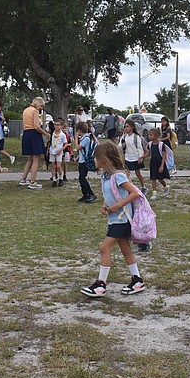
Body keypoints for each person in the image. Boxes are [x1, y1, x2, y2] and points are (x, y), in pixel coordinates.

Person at [80, 141, 146, 298]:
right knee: (125, 249)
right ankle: (137, 280)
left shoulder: (119, 176)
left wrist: (118, 205)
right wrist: (105, 205)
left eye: (96, 157)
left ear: (104, 159)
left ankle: (101, 284)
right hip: (114, 219)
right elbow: (109, 194)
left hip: (122, 220)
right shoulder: (105, 176)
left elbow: (135, 193)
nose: (94, 160)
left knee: (104, 248)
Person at [19, 97, 49, 190]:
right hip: (34, 135)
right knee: (36, 158)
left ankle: (23, 179)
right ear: (37, 103)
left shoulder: (26, 110)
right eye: (41, 105)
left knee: (30, 158)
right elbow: (36, 126)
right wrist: (45, 133)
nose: (41, 108)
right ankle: (33, 181)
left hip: (26, 134)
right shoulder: (34, 111)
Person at [120, 119, 147, 193]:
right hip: (127, 158)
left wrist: (140, 157)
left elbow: (139, 148)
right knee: (126, 174)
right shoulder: (124, 136)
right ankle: (129, 188)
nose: (126, 128)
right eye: (125, 126)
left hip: (136, 158)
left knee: (138, 173)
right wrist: (122, 146)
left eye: (127, 126)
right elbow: (120, 146)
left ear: (132, 127)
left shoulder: (136, 137)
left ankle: (143, 186)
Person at [74, 121, 97, 203]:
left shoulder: (86, 138)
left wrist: (76, 139)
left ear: (79, 130)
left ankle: (91, 194)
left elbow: (78, 147)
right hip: (81, 160)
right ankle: (85, 194)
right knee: (81, 178)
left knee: (82, 178)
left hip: (84, 161)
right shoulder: (84, 138)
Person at [146, 128, 170, 200]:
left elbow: (164, 155)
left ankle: (166, 187)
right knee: (153, 178)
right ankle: (154, 193)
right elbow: (148, 153)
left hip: (160, 163)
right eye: (149, 135)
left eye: (151, 135)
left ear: (156, 135)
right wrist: (142, 157)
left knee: (160, 178)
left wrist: (162, 165)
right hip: (153, 163)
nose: (149, 137)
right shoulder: (150, 144)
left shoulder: (161, 145)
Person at [48, 118, 68, 187]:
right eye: (55, 125)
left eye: (58, 125)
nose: (56, 126)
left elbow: (66, 143)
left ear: (61, 126)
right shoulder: (52, 133)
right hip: (52, 151)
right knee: (53, 166)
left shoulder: (62, 135)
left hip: (59, 151)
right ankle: (54, 179)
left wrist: (61, 149)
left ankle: (61, 178)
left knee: (59, 166)